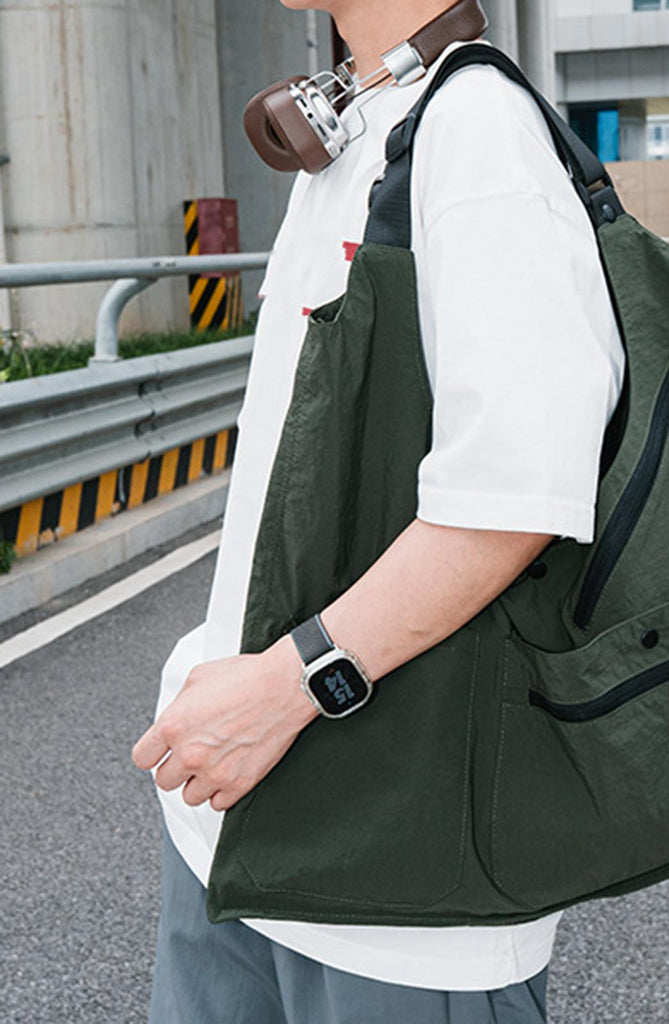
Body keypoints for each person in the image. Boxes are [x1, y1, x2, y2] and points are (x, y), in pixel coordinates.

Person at [131, 0, 625, 1020]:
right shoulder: (360, 123)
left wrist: (283, 686)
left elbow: (515, 493)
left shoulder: (476, 130)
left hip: (395, 884)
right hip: (233, 816)